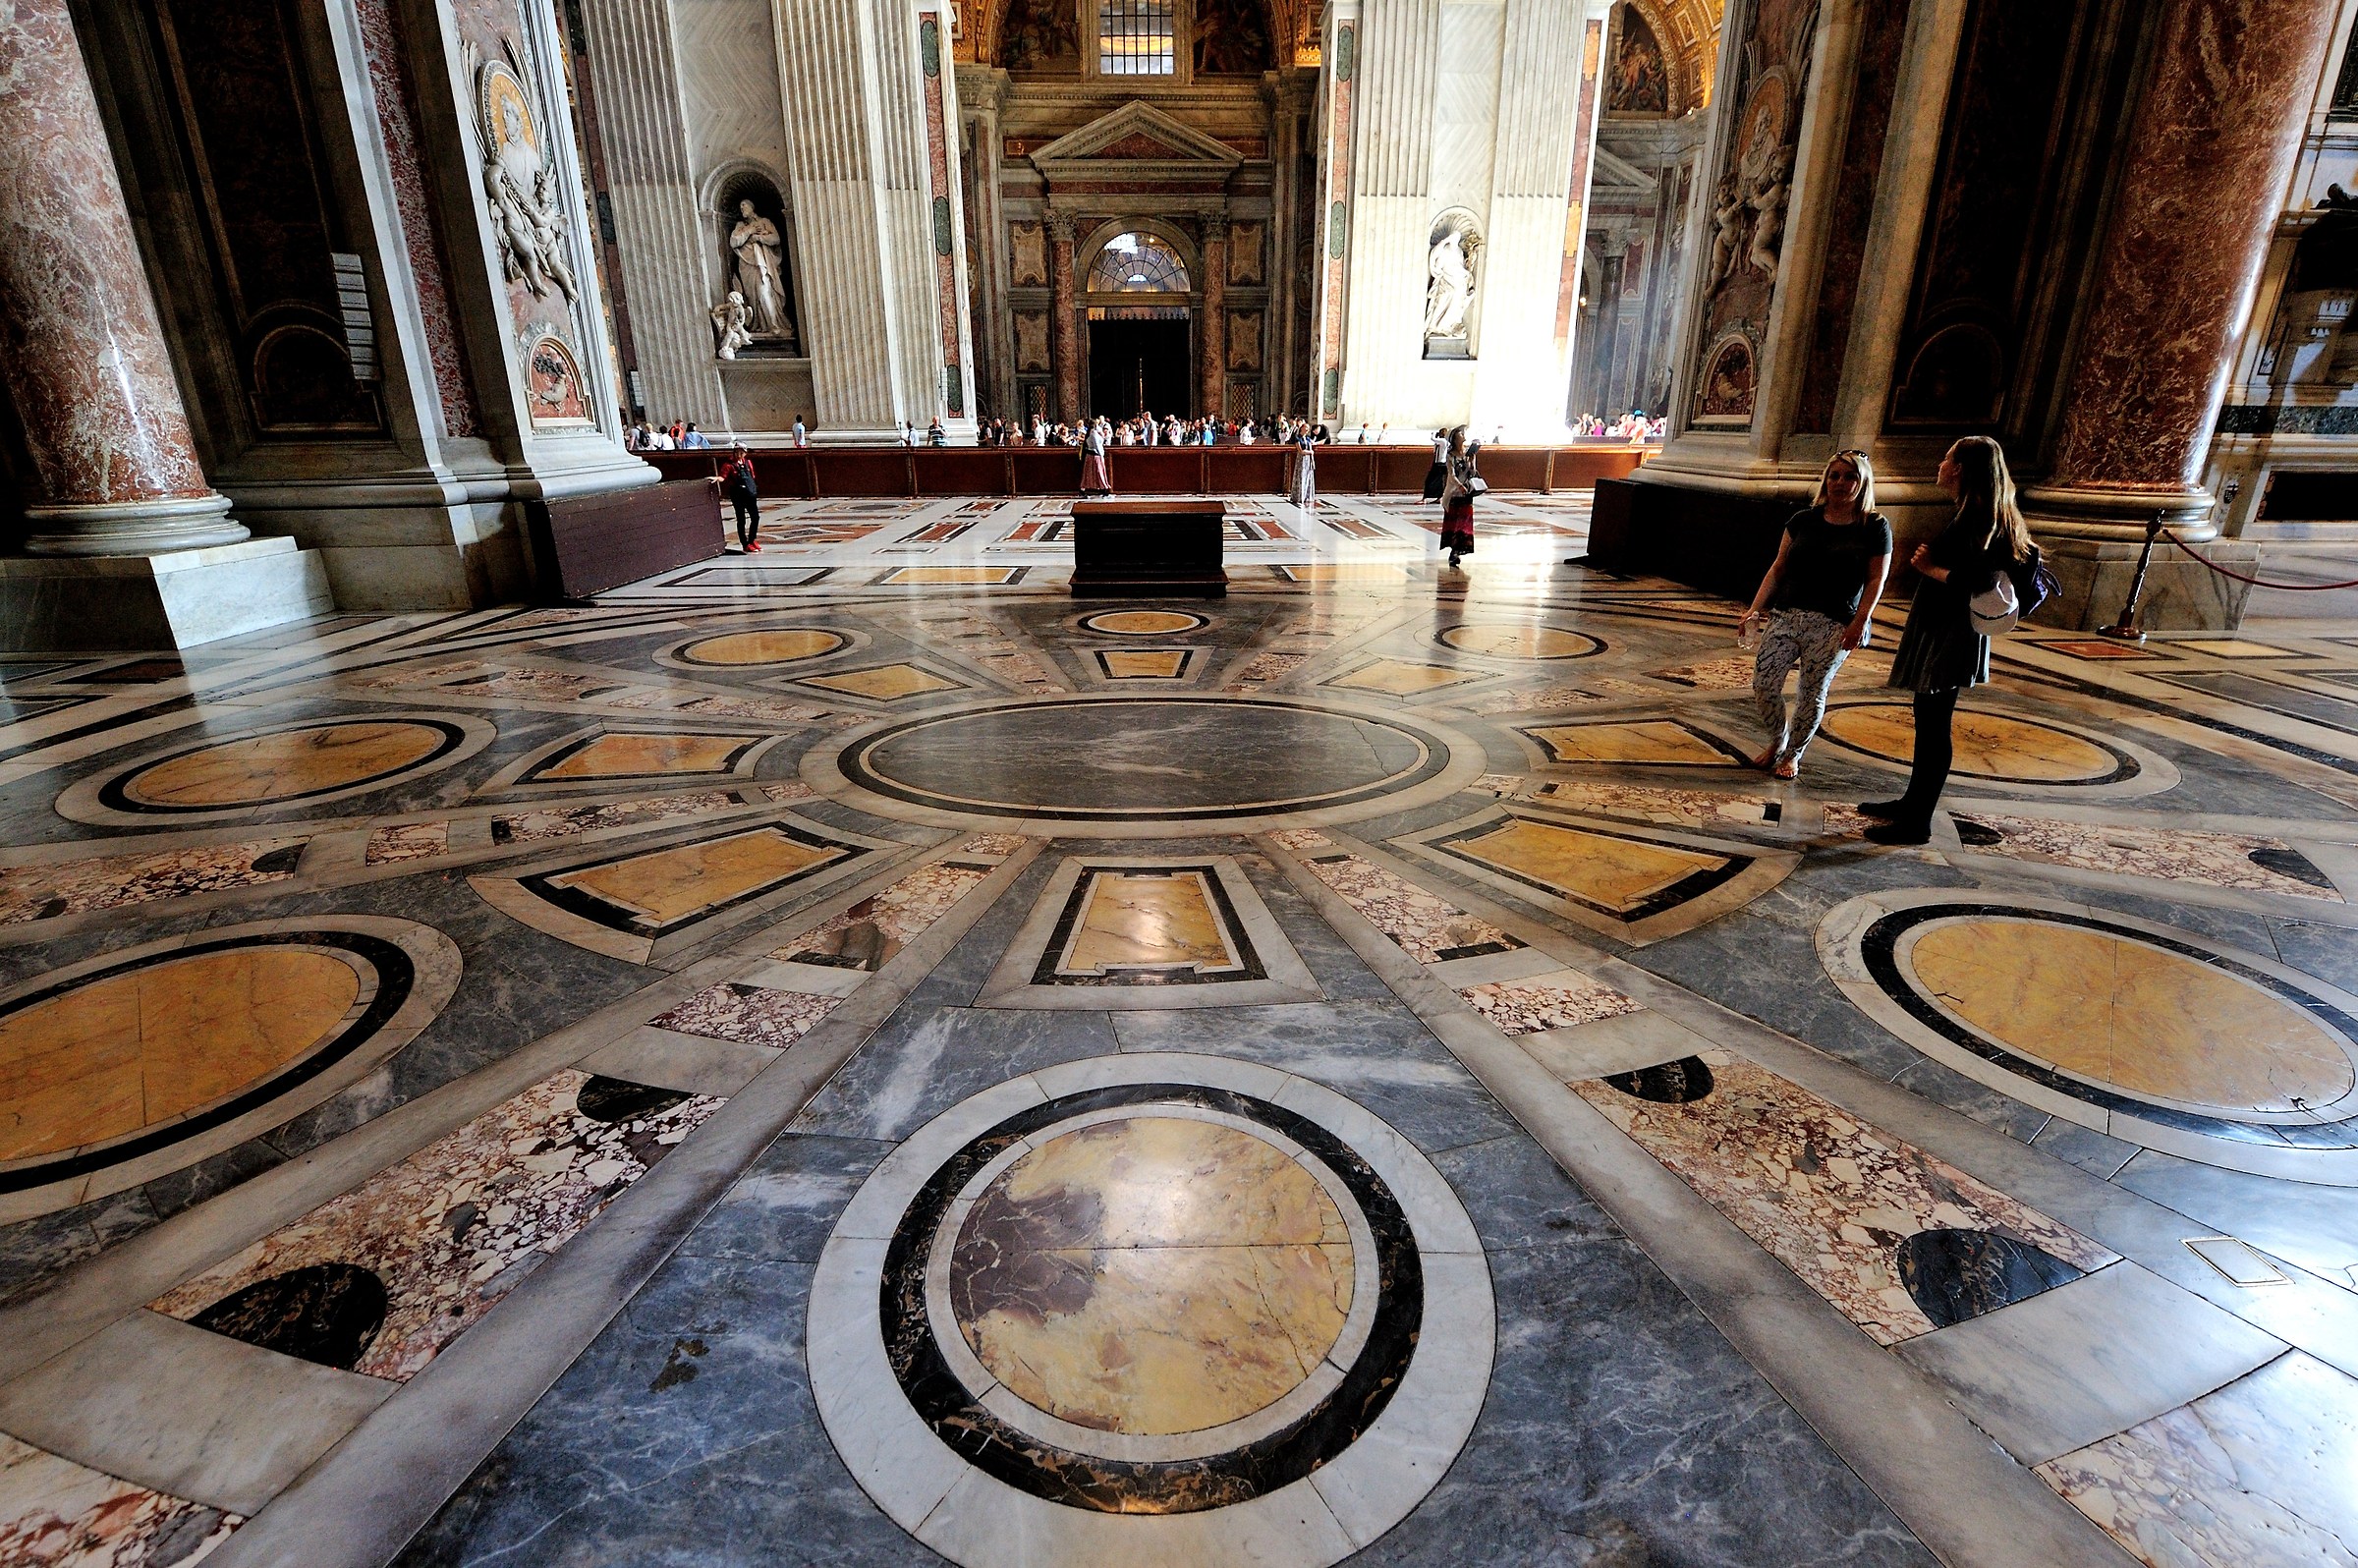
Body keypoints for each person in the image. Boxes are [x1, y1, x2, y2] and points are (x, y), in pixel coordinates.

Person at [1861, 435, 2038, 845]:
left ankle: (1918, 821)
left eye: (1946, 458)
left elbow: (1975, 578)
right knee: (1928, 717)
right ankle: (1912, 803)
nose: (1940, 465)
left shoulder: (1977, 515)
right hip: (1946, 625)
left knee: (1934, 721)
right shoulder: (1983, 510)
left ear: (1959, 469)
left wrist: (1928, 568)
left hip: (1950, 630)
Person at [1738, 450, 1891, 780]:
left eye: (1849, 476)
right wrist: (1755, 608)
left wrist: (1860, 621)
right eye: (1834, 475)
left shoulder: (1874, 526)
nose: (1840, 483)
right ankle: (1777, 739)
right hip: (1788, 613)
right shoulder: (1803, 520)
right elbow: (1778, 567)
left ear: (1862, 481)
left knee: (1812, 690)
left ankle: (1793, 754)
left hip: (1836, 621)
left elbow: (1876, 580)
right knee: (1764, 683)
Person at [1439, 428, 1477, 568]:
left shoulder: (1468, 454)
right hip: (1455, 493)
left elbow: (1473, 472)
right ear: (1455, 439)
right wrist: (1459, 486)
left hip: (1467, 493)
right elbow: (1451, 474)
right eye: (1460, 435)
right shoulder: (1450, 456)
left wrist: (1472, 461)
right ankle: (1454, 551)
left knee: (1464, 523)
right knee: (1454, 523)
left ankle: (1458, 550)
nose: (1463, 436)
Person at [713, 444, 760, 552]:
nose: (739, 455)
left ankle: (752, 540)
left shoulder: (748, 463)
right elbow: (723, 477)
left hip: (749, 493)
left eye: (742, 452)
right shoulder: (728, 464)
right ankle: (745, 544)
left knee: (755, 517)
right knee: (741, 519)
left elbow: (752, 476)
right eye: (737, 452)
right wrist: (717, 479)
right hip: (737, 494)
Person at [1081, 416, 1112, 495]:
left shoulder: (1090, 433)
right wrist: (1101, 454)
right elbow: (1096, 445)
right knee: (1099, 472)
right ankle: (1103, 488)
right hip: (1096, 455)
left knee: (1089, 473)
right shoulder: (1093, 433)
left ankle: (1084, 488)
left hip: (1091, 455)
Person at [1289, 420, 1318, 510]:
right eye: (1305, 427)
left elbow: (1314, 443)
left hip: (1308, 460)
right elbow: (1300, 450)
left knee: (1308, 476)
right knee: (1301, 477)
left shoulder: (1308, 439)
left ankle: (1307, 495)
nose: (1307, 429)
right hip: (1301, 460)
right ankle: (1298, 496)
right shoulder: (1298, 438)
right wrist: (1310, 452)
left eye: (1308, 428)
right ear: (1301, 428)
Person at [1423, 427, 1451, 510]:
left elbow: (1432, 439)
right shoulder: (1445, 442)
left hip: (1439, 464)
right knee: (1439, 481)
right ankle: (1439, 497)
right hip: (1442, 463)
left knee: (1429, 480)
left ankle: (1425, 498)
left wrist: (1433, 433)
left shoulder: (1443, 441)